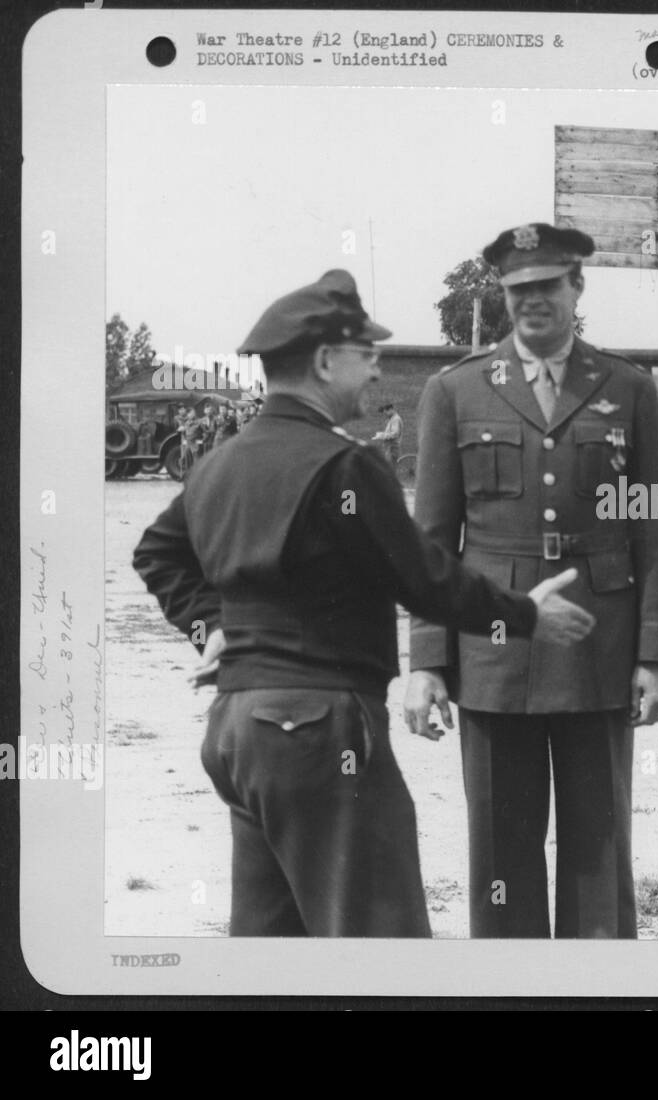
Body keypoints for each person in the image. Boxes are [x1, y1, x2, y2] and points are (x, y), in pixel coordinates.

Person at [133, 269, 594, 937]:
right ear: (324, 361)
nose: (377, 372)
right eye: (366, 355)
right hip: (322, 731)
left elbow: (157, 552)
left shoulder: (220, 463)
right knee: (381, 953)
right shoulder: (344, 467)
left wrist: (210, 627)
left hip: (237, 733)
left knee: (273, 956)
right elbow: (428, 580)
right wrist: (527, 614)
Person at [403, 223, 658, 938]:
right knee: (501, 850)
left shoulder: (628, 389)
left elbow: (651, 531)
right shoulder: (455, 392)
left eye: (547, 287)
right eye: (518, 290)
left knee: (600, 845)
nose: (532, 302)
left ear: (576, 287)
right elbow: (432, 545)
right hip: (493, 647)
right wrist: (427, 663)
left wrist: (653, 654)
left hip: (600, 643)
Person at [372, 402, 402, 466]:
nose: (385, 415)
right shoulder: (392, 419)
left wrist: (383, 436)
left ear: (391, 409)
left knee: (390, 466)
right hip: (390, 446)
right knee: (389, 466)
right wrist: (382, 434)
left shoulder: (395, 419)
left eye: (386, 412)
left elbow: (395, 433)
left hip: (392, 447)